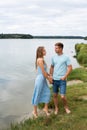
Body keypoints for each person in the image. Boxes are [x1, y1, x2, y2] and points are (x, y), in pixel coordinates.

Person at [50, 42, 72, 115]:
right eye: (55, 48)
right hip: (54, 80)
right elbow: (52, 67)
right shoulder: (53, 57)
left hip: (62, 80)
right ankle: (56, 108)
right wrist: (50, 76)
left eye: (56, 48)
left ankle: (66, 107)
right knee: (55, 95)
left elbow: (70, 68)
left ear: (61, 48)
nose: (55, 49)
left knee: (62, 96)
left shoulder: (66, 57)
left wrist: (65, 76)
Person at [32, 46, 52, 118]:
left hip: (42, 78)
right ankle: (34, 111)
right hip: (40, 79)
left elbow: (44, 71)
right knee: (37, 94)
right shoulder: (40, 60)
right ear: (41, 52)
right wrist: (49, 79)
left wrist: (49, 74)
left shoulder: (42, 59)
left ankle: (45, 108)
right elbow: (43, 73)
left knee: (47, 92)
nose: (45, 52)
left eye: (45, 50)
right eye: (44, 51)